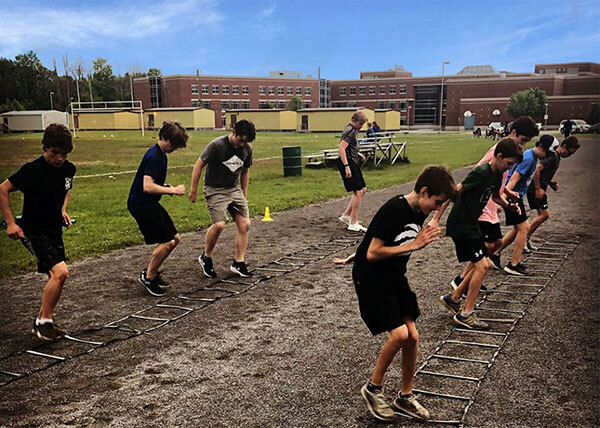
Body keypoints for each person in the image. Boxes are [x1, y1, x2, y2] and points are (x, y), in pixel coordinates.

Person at [355, 165, 458, 422]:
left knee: (413, 336)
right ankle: (373, 389)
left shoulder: (419, 208)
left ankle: (404, 397)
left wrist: (437, 215)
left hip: (394, 275)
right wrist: (415, 244)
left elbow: (378, 240)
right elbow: (372, 252)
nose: (436, 208)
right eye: (435, 203)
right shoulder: (395, 209)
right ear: (423, 191)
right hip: (372, 277)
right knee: (400, 333)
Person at [436, 138, 523, 330]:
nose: (509, 167)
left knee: (486, 255)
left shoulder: (498, 173)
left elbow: (495, 196)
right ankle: (465, 314)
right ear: (498, 156)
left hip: (471, 223)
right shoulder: (481, 172)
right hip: (461, 223)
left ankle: (454, 298)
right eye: (509, 163)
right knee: (483, 265)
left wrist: (509, 206)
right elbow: (455, 190)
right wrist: (435, 218)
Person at [0, 124, 76, 341]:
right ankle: (45, 323)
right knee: (61, 272)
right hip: (33, 230)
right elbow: (3, 189)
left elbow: (67, 189)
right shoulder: (31, 170)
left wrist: (63, 210)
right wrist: (11, 223)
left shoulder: (69, 169)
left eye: (64, 154)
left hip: (54, 229)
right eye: (55, 153)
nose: (59, 158)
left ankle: (41, 321)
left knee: (57, 276)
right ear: (45, 148)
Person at [453, 116, 539, 288]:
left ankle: (465, 280)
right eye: (522, 140)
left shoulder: (511, 155)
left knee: (494, 243)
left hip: (492, 205)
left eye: (526, 142)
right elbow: (478, 173)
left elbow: (498, 180)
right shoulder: (496, 153)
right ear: (513, 132)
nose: (523, 146)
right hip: (482, 206)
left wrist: (506, 192)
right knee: (489, 244)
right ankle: (463, 281)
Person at [128, 120, 189, 297]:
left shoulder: (161, 154)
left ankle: (151, 272)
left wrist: (165, 187)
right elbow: (147, 187)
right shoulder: (154, 156)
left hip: (150, 203)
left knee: (175, 238)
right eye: (173, 144)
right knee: (168, 241)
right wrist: (172, 190)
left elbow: (153, 183)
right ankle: (149, 276)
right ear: (164, 137)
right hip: (141, 204)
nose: (174, 148)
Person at [189, 119, 256, 278]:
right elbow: (199, 165)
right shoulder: (217, 145)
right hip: (215, 189)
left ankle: (238, 263)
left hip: (234, 189)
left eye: (245, 142)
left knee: (245, 223)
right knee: (219, 225)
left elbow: (245, 171)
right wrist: (193, 190)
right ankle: (206, 257)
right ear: (234, 132)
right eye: (241, 140)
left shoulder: (247, 148)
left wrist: (244, 192)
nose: (242, 144)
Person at [492, 135, 553, 276]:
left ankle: (495, 254)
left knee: (517, 229)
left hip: (516, 195)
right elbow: (513, 178)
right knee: (524, 228)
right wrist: (503, 199)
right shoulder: (529, 158)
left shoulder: (532, 157)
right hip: (513, 195)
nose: (546, 158)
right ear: (542, 148)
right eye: (547, 154)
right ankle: (514, 264)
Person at [524, 136, 580, 252]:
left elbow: (544, 173)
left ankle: (526, 238)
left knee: (543, 215)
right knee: (544, 215)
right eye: (569, 153)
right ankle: (523, 238)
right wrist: (538, 188)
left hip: (539, 188)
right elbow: (538, 169)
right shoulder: (554, 157)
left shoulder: (556, 157)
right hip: (535, 189)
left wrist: (550, 183)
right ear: (564, 147)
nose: (569, 156)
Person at [337, 111, 369, 232]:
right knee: (358, 192)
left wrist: (358, 153)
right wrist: (347, 166)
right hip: (348, 162)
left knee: (363, 189)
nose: (361, 126)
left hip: (352, 160)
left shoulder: (353, 130)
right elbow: (341, 149)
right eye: (360, 124)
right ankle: (353, 222)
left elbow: (350, 147)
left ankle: (346, 215)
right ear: (354, 121)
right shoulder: (349, 131)